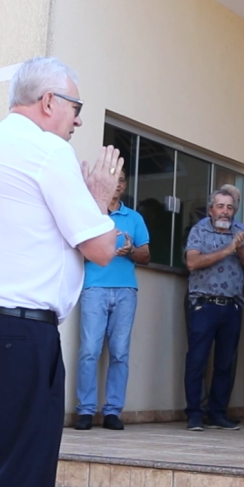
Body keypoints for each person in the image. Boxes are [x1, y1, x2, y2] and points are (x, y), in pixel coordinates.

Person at [0, 57, 120, 487]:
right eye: (76, 107)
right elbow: (101, 247)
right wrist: (100, 199)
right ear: (49, 103)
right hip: (20, 338)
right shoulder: (47, 151)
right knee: (19, 485)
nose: (78, 120)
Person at [75, 169, 151, 431]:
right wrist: (100, 249)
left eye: (121, 180)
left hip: (126, 290)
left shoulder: (134, 217)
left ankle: (112, 412)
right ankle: (85, 411)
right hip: (94, 288)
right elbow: (75, 250)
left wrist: (130, 252)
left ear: (124, 185)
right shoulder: (90, 213)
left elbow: (146, 255)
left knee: (120, 353)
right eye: (113, 180)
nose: (117, 185)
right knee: (89, 351)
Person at [183, 187, 244, 431]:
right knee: (197, 360)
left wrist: (238, 247)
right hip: (203, 304)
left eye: (229, 207)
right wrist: (226, 250)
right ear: (211, 209)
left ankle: (217, 413)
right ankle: (194, 414)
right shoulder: (199, 230)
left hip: (232, 306)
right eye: (220, 206)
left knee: (226, 363)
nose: (225, 211)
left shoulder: (242, 232)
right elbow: (192, 261)